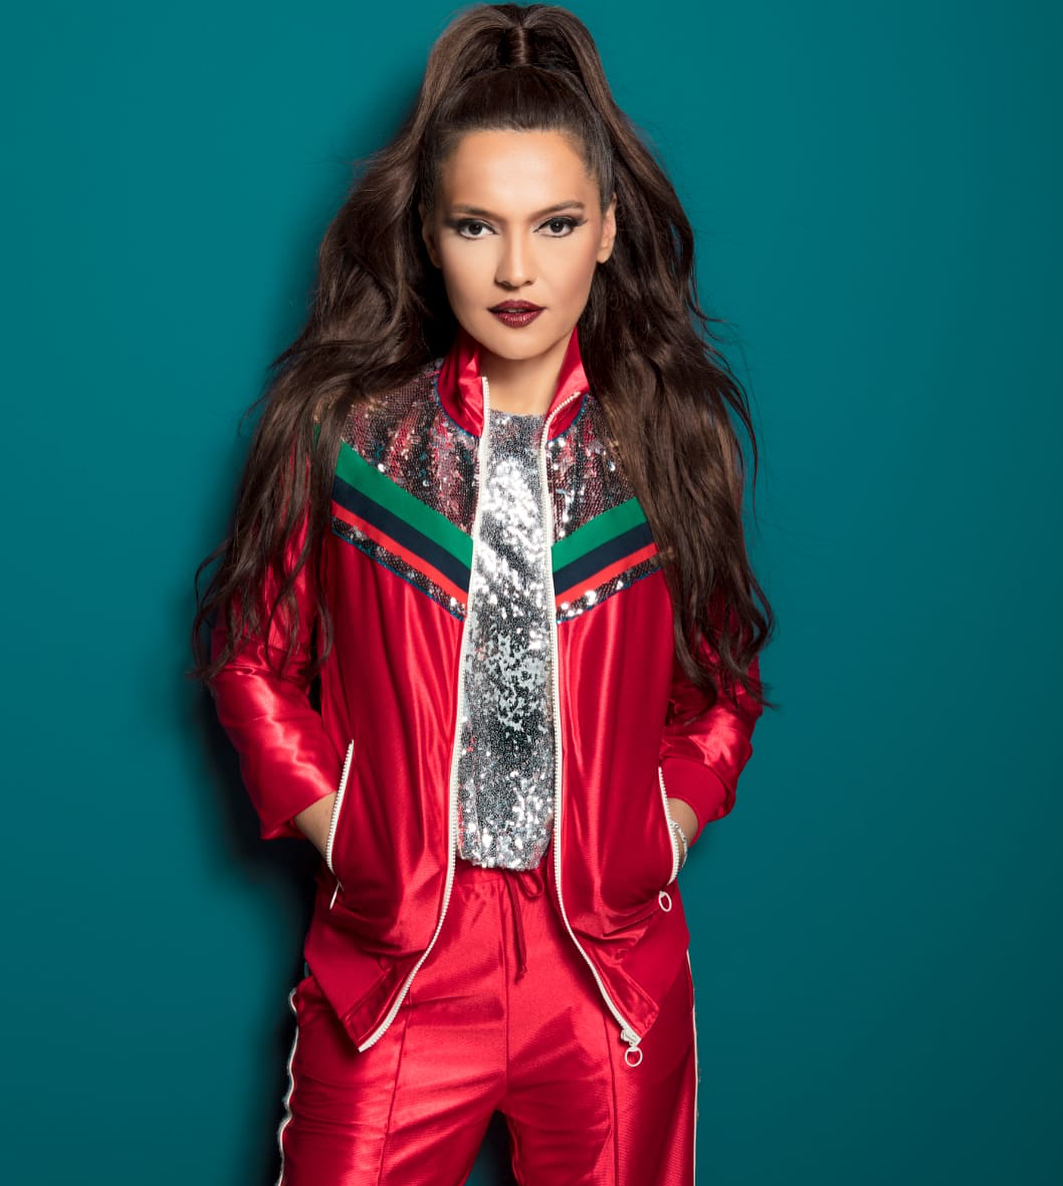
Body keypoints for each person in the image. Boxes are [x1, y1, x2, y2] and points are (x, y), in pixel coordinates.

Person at [191, 4, 774, 1183]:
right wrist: (346, 832)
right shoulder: (348, 438)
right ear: (427, 232)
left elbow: (723, 682)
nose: (517, 271)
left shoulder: (668, 443)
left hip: (605, 964)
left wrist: (661, 829)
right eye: (476, 225)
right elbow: (250, 659)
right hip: (399, 956)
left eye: (555, 223)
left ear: (608, 230)